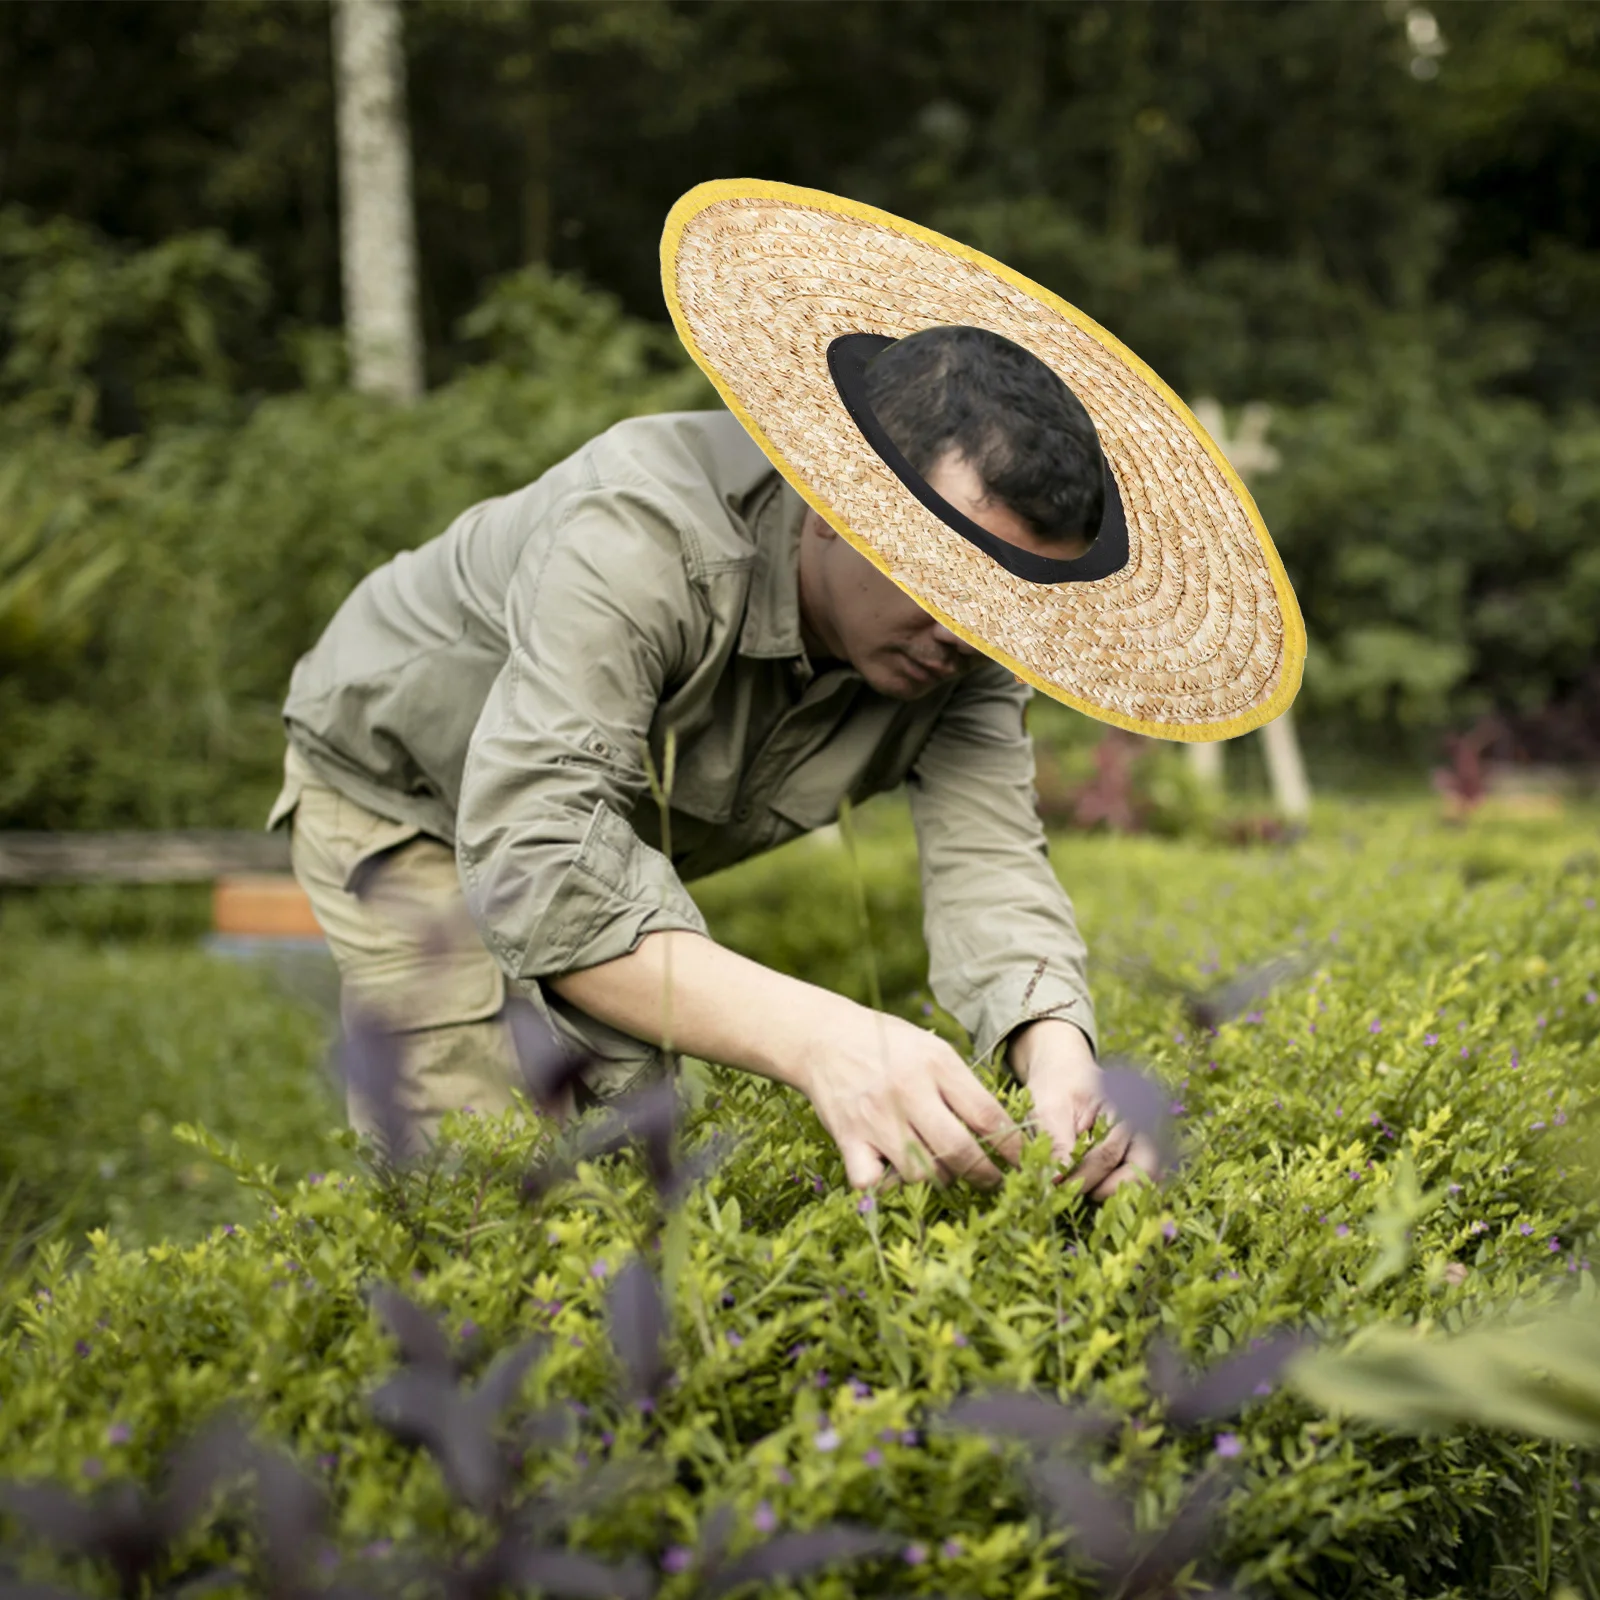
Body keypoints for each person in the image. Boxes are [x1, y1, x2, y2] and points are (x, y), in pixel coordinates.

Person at [271, 181, 1305, 1198]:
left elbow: (991, 866)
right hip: (405, 787)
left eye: (998, 603)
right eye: (936, 578)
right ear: (830, 501)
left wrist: (1059, 1058)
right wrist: (830, 1038)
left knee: (631, 1139)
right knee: (481, 1166)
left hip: (605, 807)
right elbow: (535, 867)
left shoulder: (970, 642)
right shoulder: (637, 539)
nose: (962, 630)